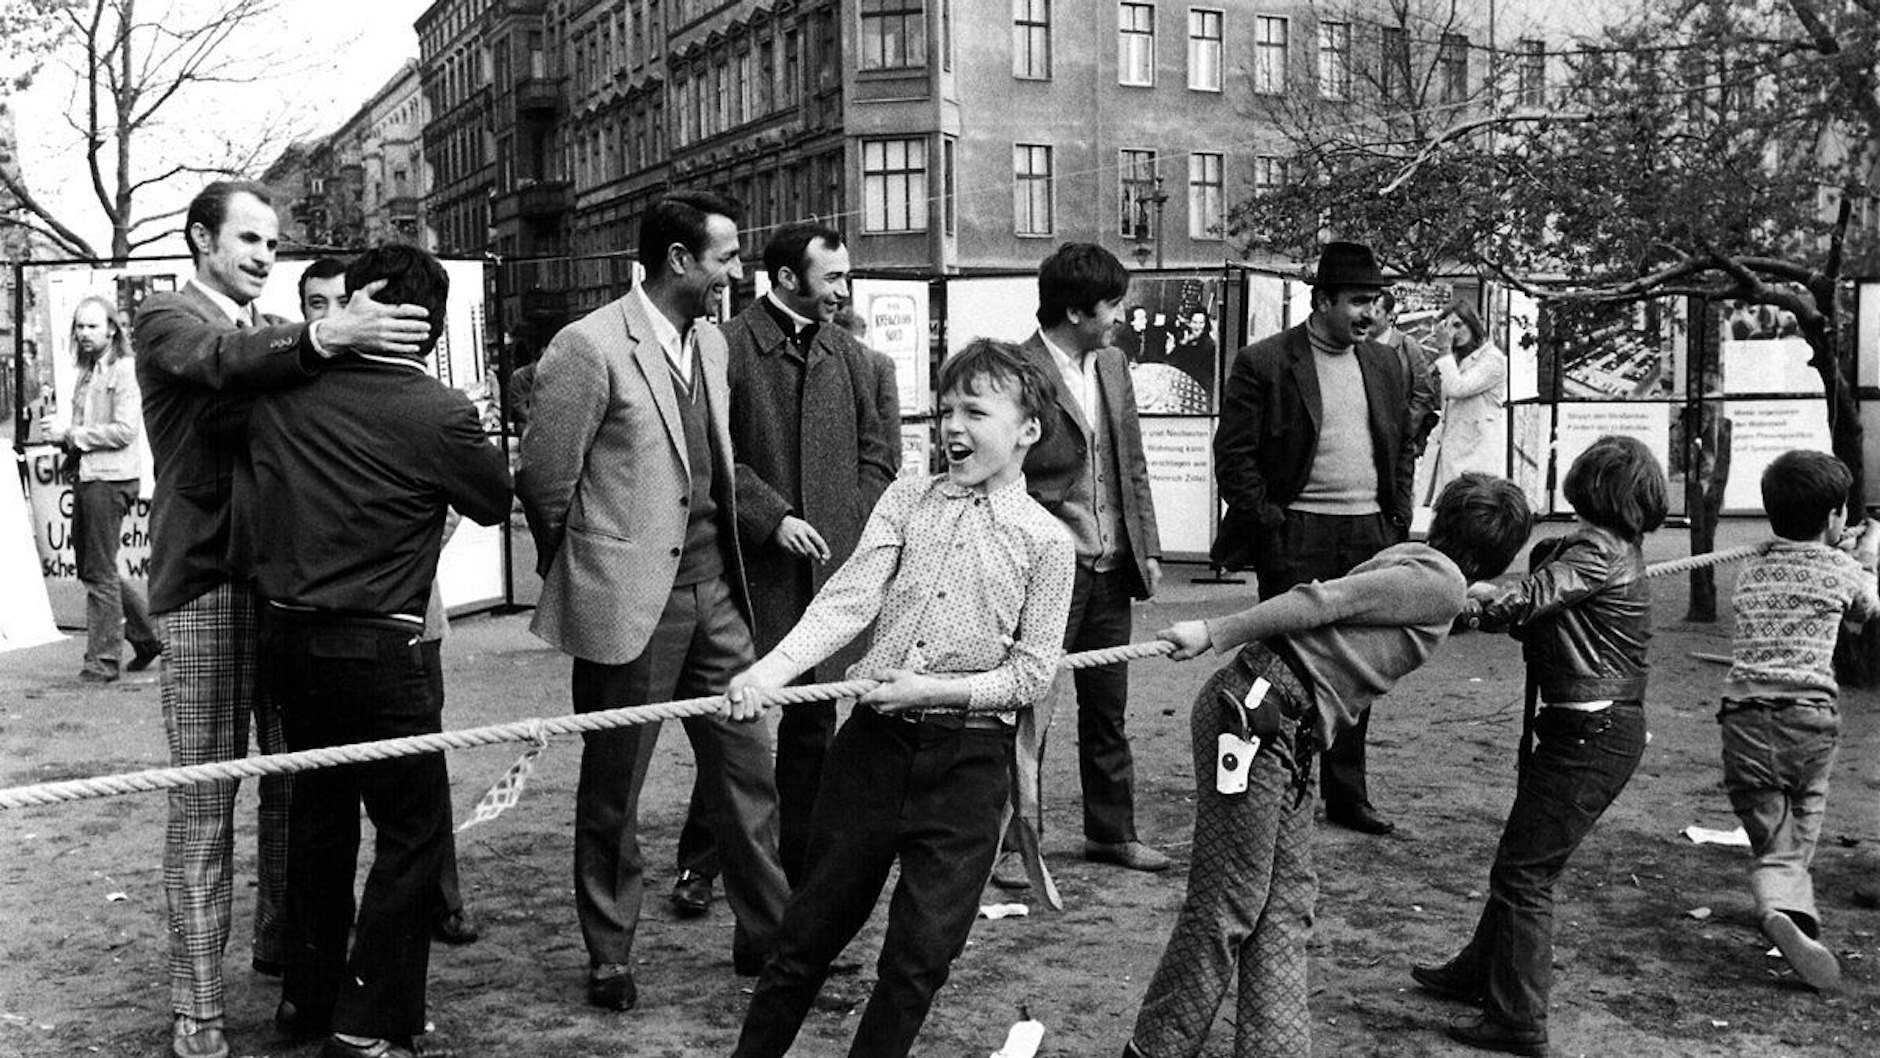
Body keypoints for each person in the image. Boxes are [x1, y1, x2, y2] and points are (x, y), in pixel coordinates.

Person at [133, 180, 435, 1058]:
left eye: (273, 242)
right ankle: (198, 1013)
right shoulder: (166, 319)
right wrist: (330, 333)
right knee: (204, 805)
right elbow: (223, 367)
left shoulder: (270, 335)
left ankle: (293, 975)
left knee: (301, 789)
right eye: (250, 239)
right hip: (204, 594)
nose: (267, 254)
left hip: (286, 597)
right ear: (201, 240)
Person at [726, 338, 1076, 1058]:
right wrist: (769, 674)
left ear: (1028, 430)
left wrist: (937, 688)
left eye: (975, 411)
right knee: (805, 941)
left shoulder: (1047, 542)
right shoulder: (906, 499)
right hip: (873, 754)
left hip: (969, 768)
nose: (951, 427)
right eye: (944, 410)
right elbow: (845, 603)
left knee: (917, 962)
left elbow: (1032, 675)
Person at [1124, 473, 1532, 1058]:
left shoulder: (1425, 572)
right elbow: (1319, 602)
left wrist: (1468, 599)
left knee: (1287, 898)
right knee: (1228, 902)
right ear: (1499, 554)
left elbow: (1383, 611)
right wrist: (1213, 630)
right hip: (1257, 715)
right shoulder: (1438, 584)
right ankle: (1154, 1049)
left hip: (1286, 727)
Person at [515, 190, 789, 1011]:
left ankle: (771, 941)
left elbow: (714, 461)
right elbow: (545, 480)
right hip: (630, 604)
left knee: (748, 774)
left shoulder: (709, 345)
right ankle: (610, 955)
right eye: (726, 257)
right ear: (679, 260)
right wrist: (596, 571)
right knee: (613, 789)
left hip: (717, 598)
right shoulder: (588, 345)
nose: (736, 272)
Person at [248, 245, 512, 1058]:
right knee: (412, 833)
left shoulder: (285, 389)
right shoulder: (436, 412)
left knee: (318, 824)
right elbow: (494, 501)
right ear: (426, 326)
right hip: (380, 649)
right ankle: (365, 1024)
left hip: (289, 640)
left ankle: (307, 1000)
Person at [670, 222, 901, 912]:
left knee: (810, 733)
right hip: (750, 571)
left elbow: (879, 460)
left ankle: (794, 877)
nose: (844, 290)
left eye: (845, 277)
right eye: (832, 277)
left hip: (828, 573)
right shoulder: (724, 351)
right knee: (736, 724)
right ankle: (702, 865)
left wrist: (838, 526)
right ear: (786, 278)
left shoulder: (862, 363)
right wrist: (774, 520)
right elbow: (711, 457)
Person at [1413, 434, 1667, 1057]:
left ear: (1590, 485)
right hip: (1592, 727)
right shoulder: (1615, 547)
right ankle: (1481, 971)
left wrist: (1463, 600)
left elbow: (1526, 601)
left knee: (1527, 873)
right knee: (1521, 860)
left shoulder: (1594, 549)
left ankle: (1519, 1020)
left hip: (1590, 731)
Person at [296, 256, 480, 948]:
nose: (328, 318)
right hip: (343, 622)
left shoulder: (424, 400)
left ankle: (444, 899)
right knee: (329, 803)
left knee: (416, 781)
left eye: (337, 302)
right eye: (315, 305)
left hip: (411, 619)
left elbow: (465, 505)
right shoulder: (301, 386)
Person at [1211, 240, 1415, 837]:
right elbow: (1235, 457)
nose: (1368, 314)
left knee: (1357, 667)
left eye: (1374, 302)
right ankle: (1280, 787)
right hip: (1296, 532)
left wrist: (1395, 516)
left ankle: (1347, 796)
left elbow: (1401, 444)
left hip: (1370, 535)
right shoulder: (1266, 362)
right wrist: (1272, 523)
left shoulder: (1383, 363)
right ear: (1321, 300)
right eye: (1356, 301)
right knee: (1285, 667)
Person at [1007, 242, 1165, 880]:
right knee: (1028, 713)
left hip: (1111, 567)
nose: (1121, 315)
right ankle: (1016, 845)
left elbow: (1132, 460)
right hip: (1045, 570)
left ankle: (1112, 832)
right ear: (1074, 311)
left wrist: (1146, 547)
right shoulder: (1015, 371)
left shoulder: (1114, 364)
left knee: (1108, 709)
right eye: (1112, 305)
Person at [1717, 450, 1879, 992]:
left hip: (1743, 718)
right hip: (1809, 717)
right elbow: (1866, 609)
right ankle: (1782, 904)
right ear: (1835, 517)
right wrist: (1867, 555)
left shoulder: (1752, 565)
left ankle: (1787, 905)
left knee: (1770, 822)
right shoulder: (1841, 567)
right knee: (1806, 807)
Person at [49, 295, 162, 682]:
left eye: (92, 326)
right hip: (91, 476)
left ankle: (102, 661)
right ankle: (146, 638)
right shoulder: (89, 370)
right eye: (80, 326)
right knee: (97, 567)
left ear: (112, 328)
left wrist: (72, 435)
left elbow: (125, 430)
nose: (84, 333)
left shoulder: (125, 370)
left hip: (110, 479)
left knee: (98, 572)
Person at [1423, 302, 1507, 502]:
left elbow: (1458, 388)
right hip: (1451, 452)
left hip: (1476, 453)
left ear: (1472, 324)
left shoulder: (1492, 359)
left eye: (1458, 325)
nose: (1453, 333)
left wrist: (1443, 351)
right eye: (1448, 327)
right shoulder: (1456, 360)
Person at [1375, 290, 1440, 460]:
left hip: (1399, 441)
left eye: (1376, 311)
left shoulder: (1406, 345)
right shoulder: (1358, 345)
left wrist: (1405, 429)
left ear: (1390, 316)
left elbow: (1423, 392)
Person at [1167, 309, 1218, 394]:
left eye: (1201, 323)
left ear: (1205, 325)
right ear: (1189, 323)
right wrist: (1181, 346)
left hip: (1200, 390)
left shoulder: (1209, 346)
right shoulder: (1186, 341)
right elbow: (1174, 365)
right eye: (1194, 322)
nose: (1197, 326)